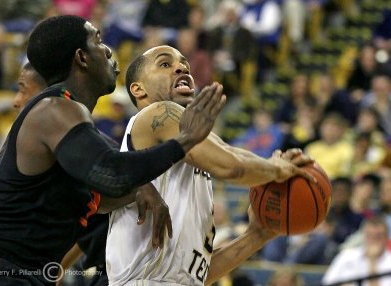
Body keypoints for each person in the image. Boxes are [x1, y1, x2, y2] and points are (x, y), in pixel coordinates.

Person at [0, 15, 226, 286]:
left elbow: (96, 194)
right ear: (82, 57)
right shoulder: (54, 109)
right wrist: (185, 140)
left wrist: (139, 189)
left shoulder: (72, 125)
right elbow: (112, 174)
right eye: (98, 41)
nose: (108, 50)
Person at [106, 45, 315, 286]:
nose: (181, 67)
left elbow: (197, 277)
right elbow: (232, 166)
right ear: (138, 89)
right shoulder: (156, 114)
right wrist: (277, 168)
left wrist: (257, 235)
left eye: (184, 64)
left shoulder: (195, 152)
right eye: (165, 64)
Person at [322, 216, 391, 286]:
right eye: (369, 236)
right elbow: (327, 282)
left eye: (378, 237)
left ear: (386, 238)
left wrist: (372, 261)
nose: (373, 241)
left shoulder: (389, 262)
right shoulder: (346, 255)